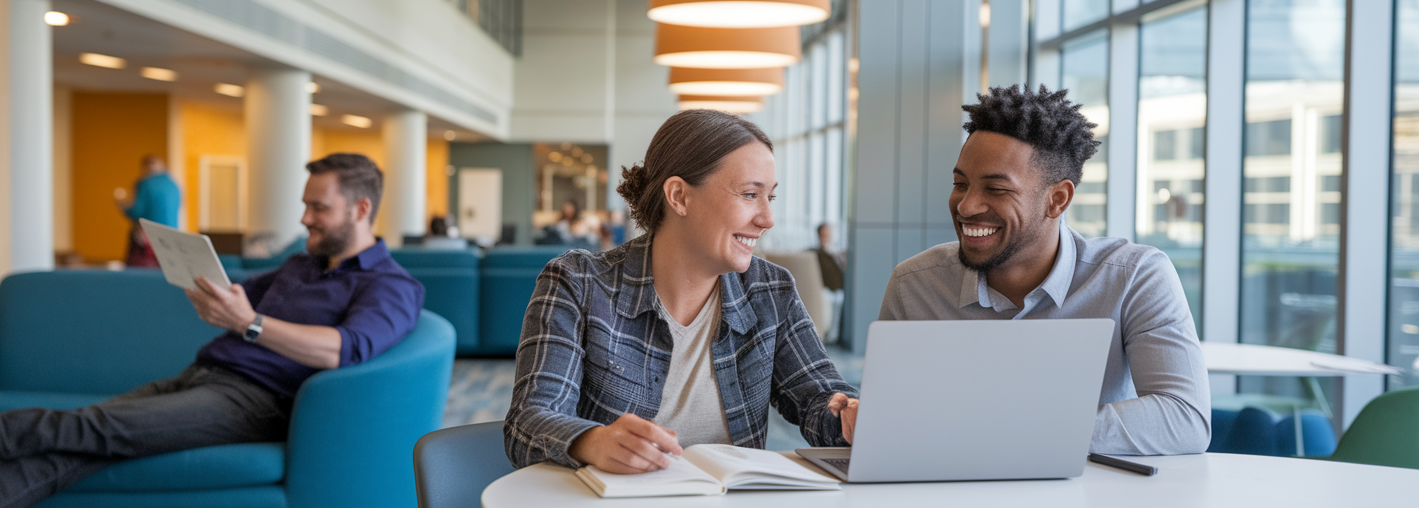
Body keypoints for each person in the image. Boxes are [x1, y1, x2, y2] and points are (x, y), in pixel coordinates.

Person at [0, 153, 426, 508]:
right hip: (200, 376)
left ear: (360, 210)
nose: (305, 217)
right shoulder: (302, 264)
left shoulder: (391, 286)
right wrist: (197, 275)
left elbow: (344, 350)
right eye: (306, 204)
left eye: (319, 207)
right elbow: (235, 285)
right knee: (68, 451)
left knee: (96, 426)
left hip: (256, 402)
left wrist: (248, 323)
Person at [504, 110, 859, 474]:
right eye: (751, 194)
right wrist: (592, 441)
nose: (767, 219)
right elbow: (528, 422)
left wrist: (849, 414)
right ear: (679, 196)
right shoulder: (577, 283)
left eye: (771, 197)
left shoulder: (771, 290)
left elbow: (818, 394)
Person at [876, 85, 1210, 456]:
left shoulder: (1133, 277)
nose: (967, 206)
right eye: (960, 184)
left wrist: (1011, 429)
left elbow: (1184, 418)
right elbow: (888, 422)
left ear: (1057, 199)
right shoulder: (914, 285)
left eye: (997, 189)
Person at [118, 155, 181, 267]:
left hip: (148, 238)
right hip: (170, 236)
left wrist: (121, 205)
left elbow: (136, 212)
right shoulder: (174, 185)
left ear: (145, 167)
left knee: (140, 272)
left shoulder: (145, 183)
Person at [813, 223, 845, 292]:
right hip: (829, 289)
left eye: (828, 234)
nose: (827, 236)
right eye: (824, 234)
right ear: (819, 235)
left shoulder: (837, 253)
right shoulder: (818, 254)